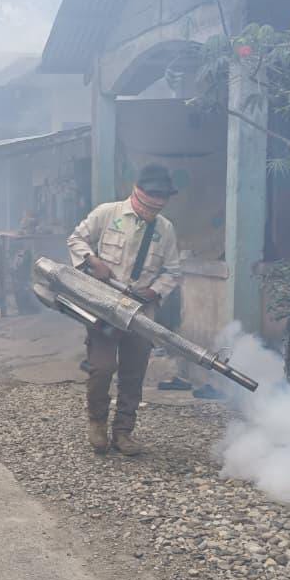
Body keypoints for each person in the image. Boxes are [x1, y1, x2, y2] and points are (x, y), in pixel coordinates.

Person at [66, 163, 182, 457]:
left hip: (141, 314)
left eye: (162, 198)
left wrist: (153, 291)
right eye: (152, 196)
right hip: (103, 307)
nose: (155, 204)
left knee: (133, 373)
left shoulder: (165, 229)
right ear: (138, 191)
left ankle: (123, 433)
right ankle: (97, 423)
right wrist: (93, 262)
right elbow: (75, 239)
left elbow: (172, 271)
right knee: (102, 368)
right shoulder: (108, 214)